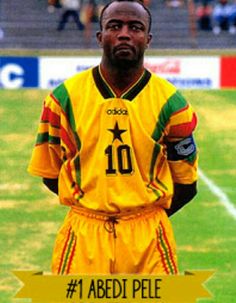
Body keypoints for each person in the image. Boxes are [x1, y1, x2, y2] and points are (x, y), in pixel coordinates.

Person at [28, 0, 198, 275]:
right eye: (114, 26)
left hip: (148, 237)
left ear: (148, 39)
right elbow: (50, 175)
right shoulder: (63, 99)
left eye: (135, 27)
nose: (124, 34)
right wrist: (94, 207)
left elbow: (187, 185)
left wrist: (139, 219)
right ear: (100, 36)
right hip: (84, 234)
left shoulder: (172, 103)